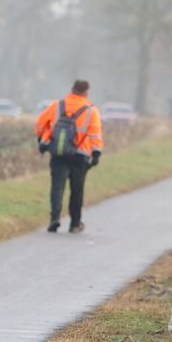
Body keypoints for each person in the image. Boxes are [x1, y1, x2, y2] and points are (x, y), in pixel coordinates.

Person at [35, 79, 103, 234]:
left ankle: (55, 219)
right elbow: (95, 134)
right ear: (86, 93)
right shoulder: (91, 111)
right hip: (80, 156)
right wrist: (96, 153)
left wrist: (43, 139)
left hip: (58, 152)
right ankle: (74, 223)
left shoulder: (56, 106)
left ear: (72, 90)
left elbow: (39, 124)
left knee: (57, 187)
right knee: (77, 190)